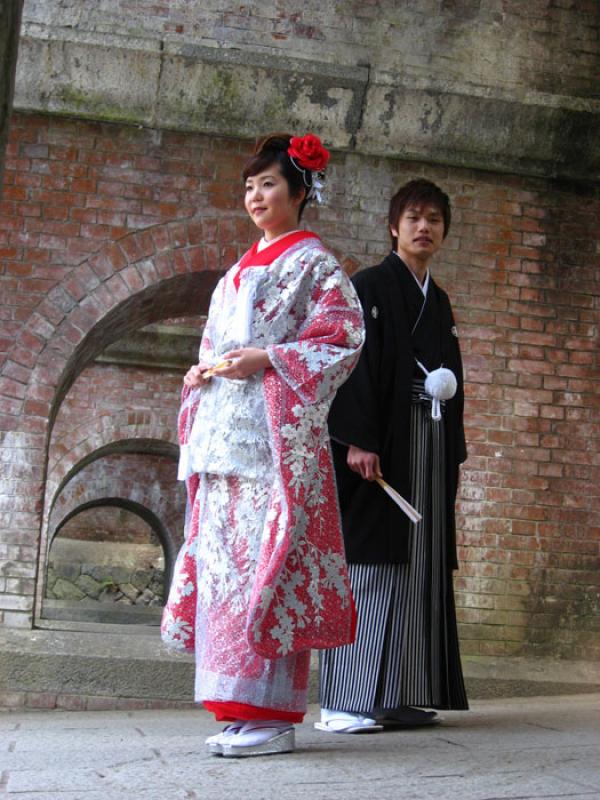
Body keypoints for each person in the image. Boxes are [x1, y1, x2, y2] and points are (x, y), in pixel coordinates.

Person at [161, 132, 365, 757]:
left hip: (272, 441)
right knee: (225, 568)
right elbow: (214, 348)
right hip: (225, 437)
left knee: (265, 567)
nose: (256, 195)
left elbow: (342, 338)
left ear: (301, 192)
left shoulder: (316, 265)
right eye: (249, 186)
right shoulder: (235, 272)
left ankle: (272, 715)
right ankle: (234, 705)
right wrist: (205, 372)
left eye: (269, 183)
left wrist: (270, 357)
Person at [317, 178, 469, 734]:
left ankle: (395, 693)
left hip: (425, 447)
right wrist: (359, 438)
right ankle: (345, 699)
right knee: (371, 564)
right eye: (413, 218)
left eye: (433, 218)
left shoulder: (440, 300)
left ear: (444, 231)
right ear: (393, 226)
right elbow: (351, 363)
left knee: (419, 565)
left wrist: (450, 449)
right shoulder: (371, 286)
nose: (423, 227)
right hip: (381, 443)